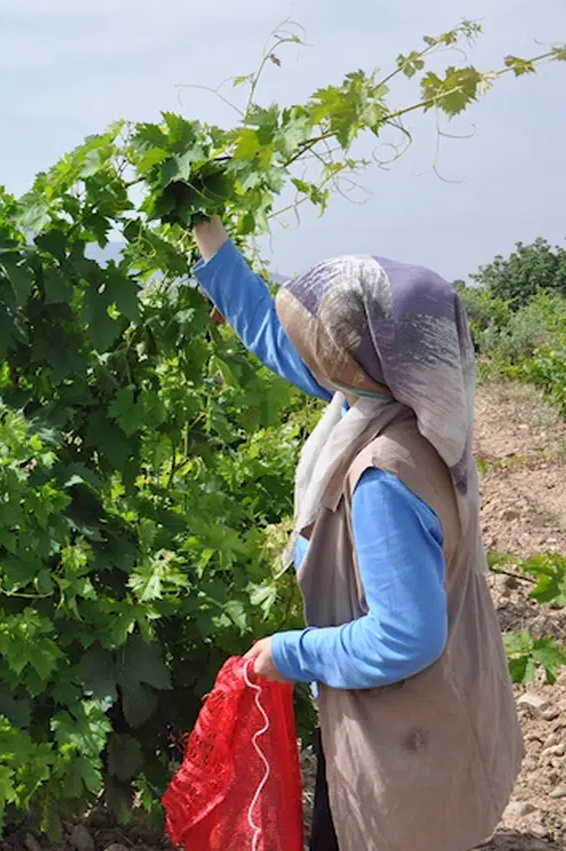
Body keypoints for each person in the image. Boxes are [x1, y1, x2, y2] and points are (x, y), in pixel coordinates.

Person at [189, 217, 522, 851]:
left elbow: (407, 635)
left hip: (401, 736)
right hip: (441, 714)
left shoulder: (381, 480)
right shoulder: (407, 401)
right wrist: (212, 240)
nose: (306, 350)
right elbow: (276, 338)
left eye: (322, 339)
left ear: (350, 358)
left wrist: (292, 653)